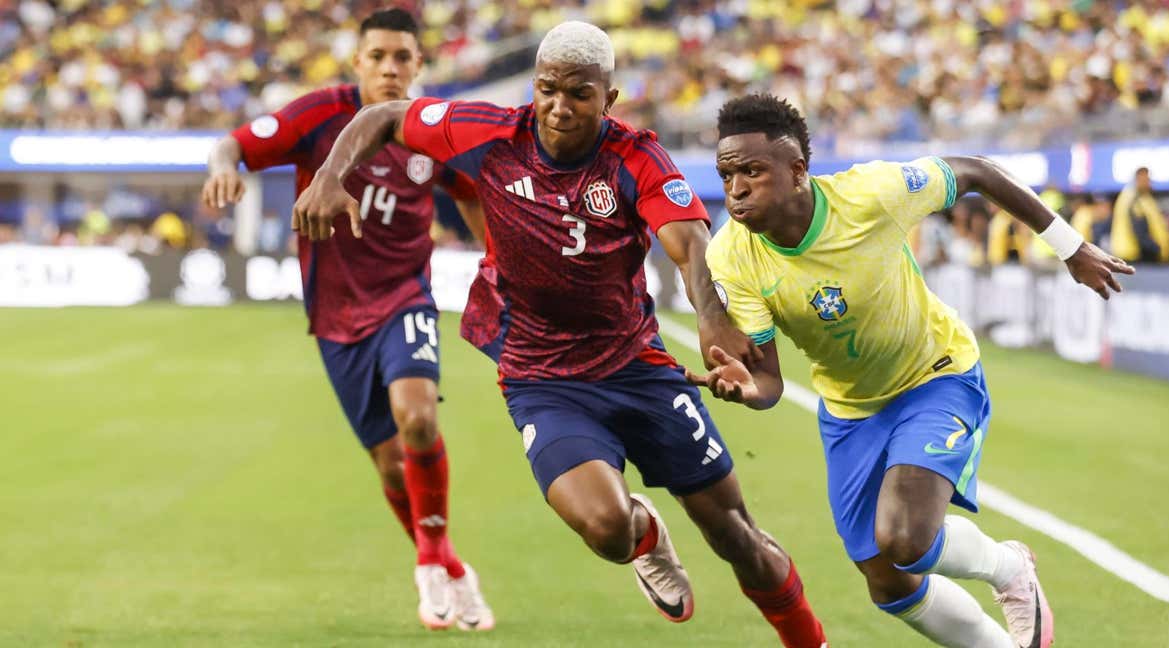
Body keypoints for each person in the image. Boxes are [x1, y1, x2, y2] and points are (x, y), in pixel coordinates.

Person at [292, 21, 827, 648]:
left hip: (637, 367)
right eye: (548, 89)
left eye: (579, 94)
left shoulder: (635, 157)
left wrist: (710, 316)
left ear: (609, 98)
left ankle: (810, 641)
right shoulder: (489, 132)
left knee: (735, 535)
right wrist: (330, 175)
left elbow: (688, 242)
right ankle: (644, 533)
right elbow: (384, 116)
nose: (559, 106)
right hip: (540, 376)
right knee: (607, 529)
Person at [692, 94, 1134, 648]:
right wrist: (745, 387)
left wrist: (1069, 248)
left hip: (936, 376)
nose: (736, 188)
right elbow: (771, 383)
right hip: (850, 410)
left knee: (905, 538)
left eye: (752, 171)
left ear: (798, 169)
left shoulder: (872, 194)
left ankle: (1009, 567)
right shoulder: (730, 256)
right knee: (889, 581)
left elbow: (976, 172)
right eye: (727, 173)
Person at [199, 8, 493, 632]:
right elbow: (235, 143)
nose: (390, 68)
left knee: (418, 416)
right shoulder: (318, 115)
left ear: (419, 65)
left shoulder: (428, 128)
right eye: (379, 56)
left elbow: (468, 191)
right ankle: (448, 563)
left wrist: (501, 263)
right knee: (390, 464)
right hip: (335, 315)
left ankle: (431, 562)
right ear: (357, 61)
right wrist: (224, 166)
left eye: (403, 58)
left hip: (406, 295)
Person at [1111, 167, 1169, 263]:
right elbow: (1139, 231)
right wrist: (1157, 250)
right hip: (1135, 256)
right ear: (1137, 179)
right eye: (1145, 180)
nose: (1148, 183)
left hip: (1133, 254)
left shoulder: (1140, 197)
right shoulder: (1134, 199)